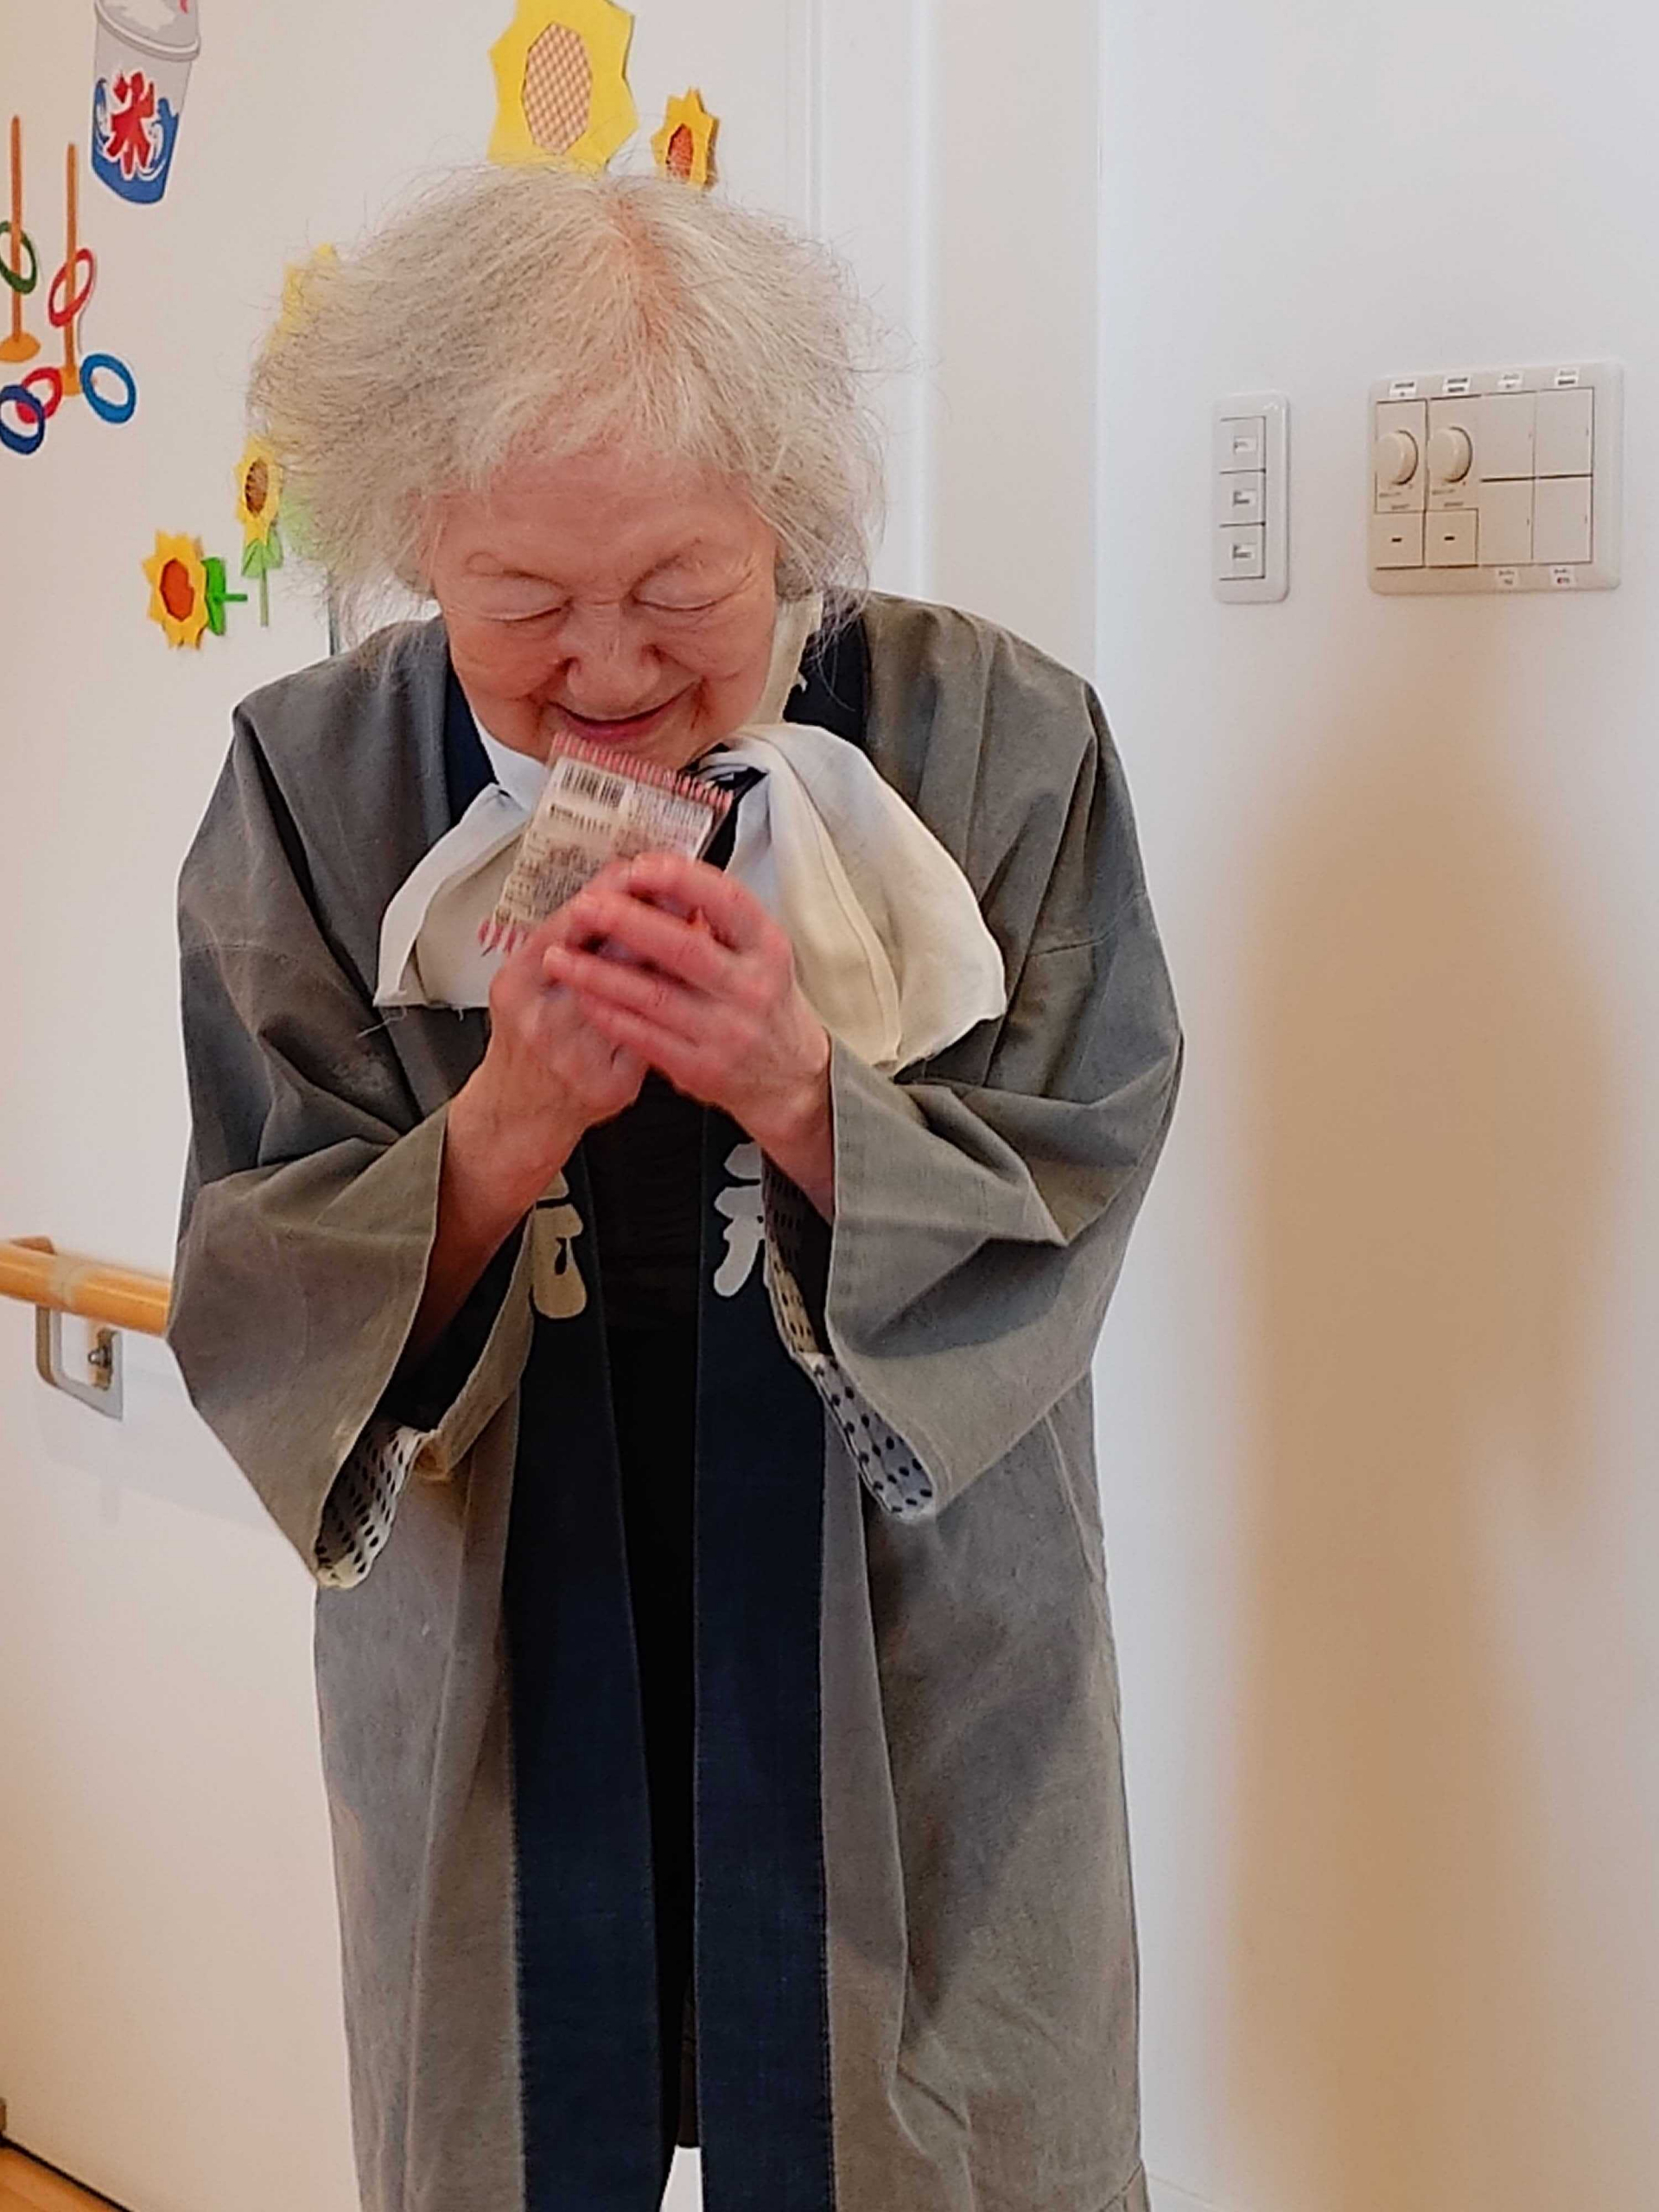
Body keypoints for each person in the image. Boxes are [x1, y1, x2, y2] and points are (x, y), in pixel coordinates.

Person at [165, 164, 1183, 2212]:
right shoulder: (314, 781)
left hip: (912, 1669)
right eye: (524, 603)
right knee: (507, 2117)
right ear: (416, 547)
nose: (609, 665)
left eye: (678, 587)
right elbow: (256, 1266)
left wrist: (800, 1090)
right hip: (502, 1669)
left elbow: (1080, 1165)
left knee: (941, 2138)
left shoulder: (1001, 741)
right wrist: (508, 1118)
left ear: (788, 522)